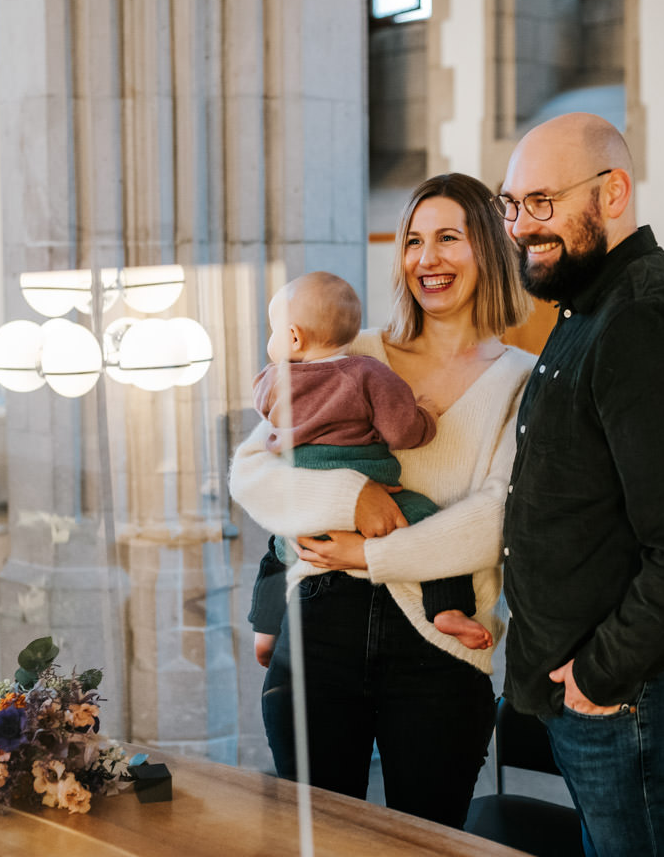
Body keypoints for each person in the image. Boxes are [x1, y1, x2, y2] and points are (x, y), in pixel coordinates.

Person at [228, 172, 534, 829]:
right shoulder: (351, 351)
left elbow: (494, 520)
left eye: (448, 238)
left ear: (488, 247)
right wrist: (353, 492)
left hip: (439, 646)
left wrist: (371, 554)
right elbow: (255, 470)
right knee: (318, 837)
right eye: (413, 241)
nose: (427, 259)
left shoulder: (520, 379)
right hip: (319, 625)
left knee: (427, 844)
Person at [496, 112, 664, 857]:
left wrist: (600, 677)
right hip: (614, 689)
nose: (520, 227)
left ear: (613, 194)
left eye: (542, 202)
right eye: (511, 205)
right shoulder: (592, 306)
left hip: (638, 692)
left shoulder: (641, 320)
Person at [248, 269, 492, 653]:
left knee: (274, 553)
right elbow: (402, 431)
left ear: (293, 336)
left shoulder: (271, 381)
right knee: (429, 518)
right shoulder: (367, 372)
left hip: (304, 515)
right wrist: (425, 414)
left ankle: (264, 629)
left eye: (272, 331)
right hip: (376, 495)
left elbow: (266, 423)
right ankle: (448, 608)